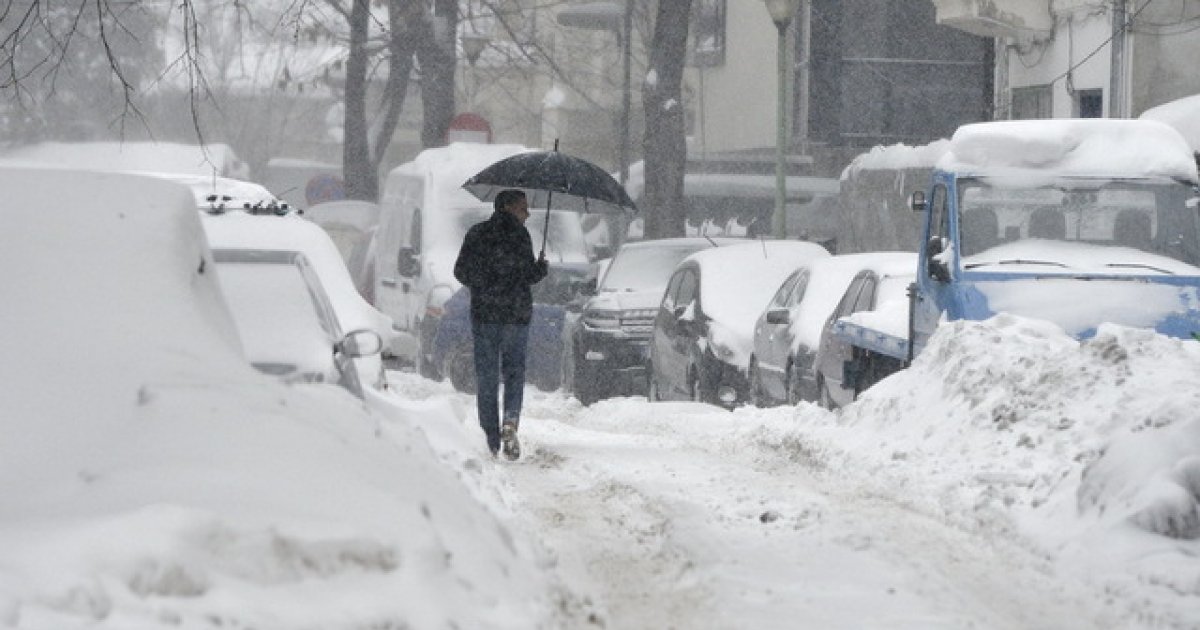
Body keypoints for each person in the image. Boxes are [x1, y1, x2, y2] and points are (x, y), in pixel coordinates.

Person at [453, 189, 548, 459]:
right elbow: (527, 276)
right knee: (514, 372)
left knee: (487, 376)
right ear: (507, 207)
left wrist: (485, 283)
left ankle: (491, 439)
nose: (527, 213)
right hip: (516, 315)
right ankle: (510, 420)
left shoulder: (477, 233)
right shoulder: (520, 236)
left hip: (485, 314)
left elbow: (460, 271)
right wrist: (539, 269)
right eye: (523, 208)